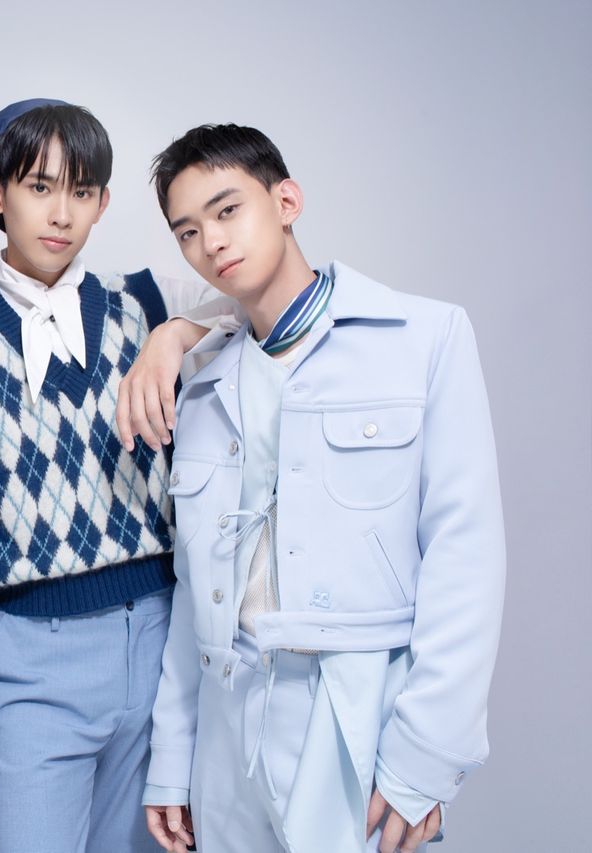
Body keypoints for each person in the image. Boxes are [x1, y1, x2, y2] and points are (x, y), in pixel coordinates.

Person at [135, 124, 506, 853]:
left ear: (286, 201)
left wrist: (427, 755)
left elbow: (466, 558)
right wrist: (172, 762)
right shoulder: (203, 383)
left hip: (357, 712)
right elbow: (192, 588)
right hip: (226, 725)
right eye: (188, 232)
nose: (212, 242)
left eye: (227, 209)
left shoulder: (424, 338)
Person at [0, 99, 221, 852]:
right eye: (40, 187)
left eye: (82, 192)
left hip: (160, 644)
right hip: (31, 658)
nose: (62, 214)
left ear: (103, 203)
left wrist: (174, 337)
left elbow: (259, 299)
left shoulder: (151, 302)